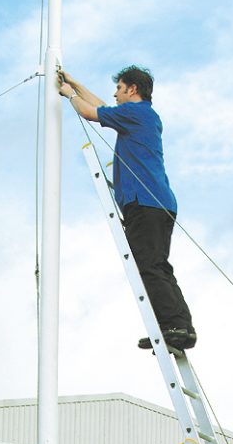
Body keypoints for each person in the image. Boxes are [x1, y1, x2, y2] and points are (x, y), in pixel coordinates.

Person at [58, 65, 196, 351]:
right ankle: (176, 325)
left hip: (144, 204)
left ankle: (175, 325)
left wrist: (70, 95)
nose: (115, 93)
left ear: (132, 89)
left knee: (149, 266)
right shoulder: (140, 115)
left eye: (119, 88)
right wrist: (74, 82)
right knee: (157, 265)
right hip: (157, 203)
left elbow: (90, 113)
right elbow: (102, 107)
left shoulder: (136, 114)